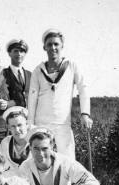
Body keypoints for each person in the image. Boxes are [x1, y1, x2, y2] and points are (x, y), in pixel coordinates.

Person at [28, 29, 93, 159]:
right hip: (41, 123)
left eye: (56, 44)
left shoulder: (71, 66)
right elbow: (32, 98)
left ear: (62, 45)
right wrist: (31, 123)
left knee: (67, 161)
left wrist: (85, 114)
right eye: (49, 44)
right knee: (40, 160)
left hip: (62, 123)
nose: (53, 47)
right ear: (44, 47)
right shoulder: (38, 70)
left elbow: (83, 89)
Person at [18, 128, 100, 185]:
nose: (40, 154)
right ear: (30, 148)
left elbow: (92, 184)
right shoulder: (25, 167)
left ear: (52, 147)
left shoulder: (66, 163)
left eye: (44, 149)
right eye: (36, 148)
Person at [0, 106, 32, 175]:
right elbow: (4, 168)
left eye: (20, 125)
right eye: (13, 126)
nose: (17, 130)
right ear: (8, 127)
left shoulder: (35, 141)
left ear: (27, 124)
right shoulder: (5, 142)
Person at [2, 39, 31, 107]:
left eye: (22, 51)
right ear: (9, 53)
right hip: (12, 113)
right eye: (15, 51)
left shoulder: (30, 75)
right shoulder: (3, 73)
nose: (19, 54)